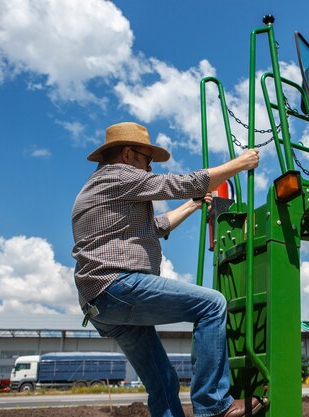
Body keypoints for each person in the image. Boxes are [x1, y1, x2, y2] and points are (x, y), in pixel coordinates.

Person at [71, 122, 263, 417]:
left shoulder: (97, 187)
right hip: (118, 285)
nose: (148, 168)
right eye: (147, 160)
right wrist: (240, 164)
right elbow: (177, 183)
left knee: (162, 382)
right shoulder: (118, 175)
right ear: (127, 154)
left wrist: (192, 206)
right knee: (212, 305)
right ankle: (213, 406)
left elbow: (156, 226)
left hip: (100, 305)